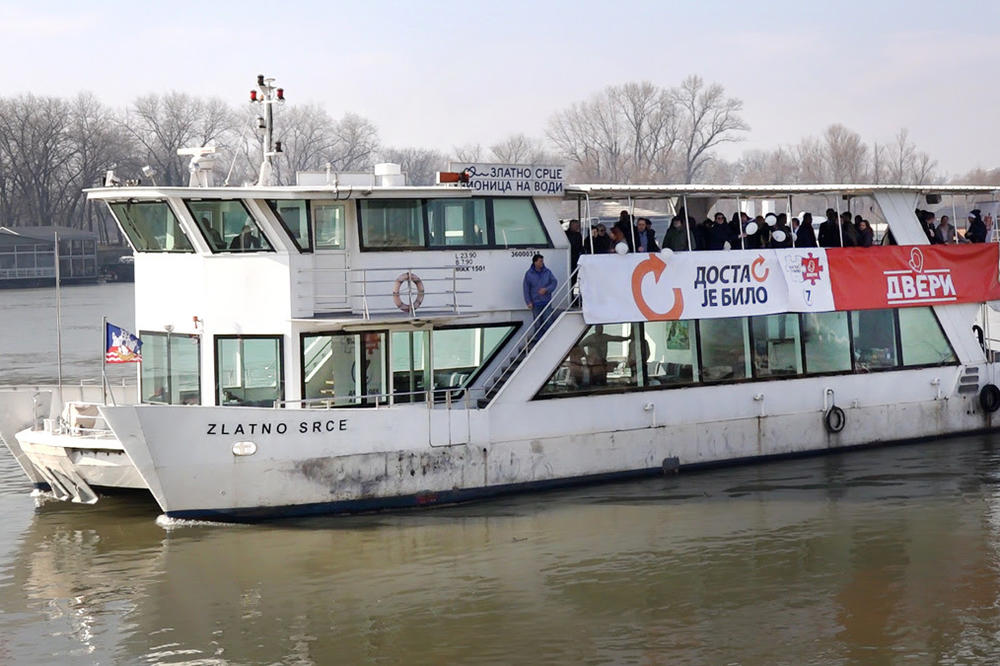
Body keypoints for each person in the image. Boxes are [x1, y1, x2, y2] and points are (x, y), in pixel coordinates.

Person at [523, 254, 558, 338]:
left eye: (542, 261)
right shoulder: (528, 274)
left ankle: (548, 338)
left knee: (548, 320)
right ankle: (538, 339)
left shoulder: (548, 272)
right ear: (535, 262)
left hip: (546, 301)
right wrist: (528, 302)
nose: (542, 263)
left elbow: (554, 282)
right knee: (537, 323)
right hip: (535, 303)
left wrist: (546, 289)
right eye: (540, 261)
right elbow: (526, 289)